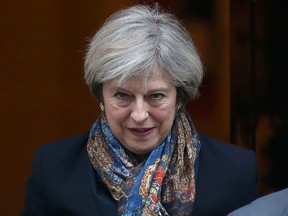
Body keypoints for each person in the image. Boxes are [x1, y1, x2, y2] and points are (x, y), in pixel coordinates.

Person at [21, 4, 259, 216]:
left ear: (179, 97)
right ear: (101, 96)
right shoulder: (53, 169)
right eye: (122, 96)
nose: (139, 115)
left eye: (156, 96)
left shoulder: (234, 171)